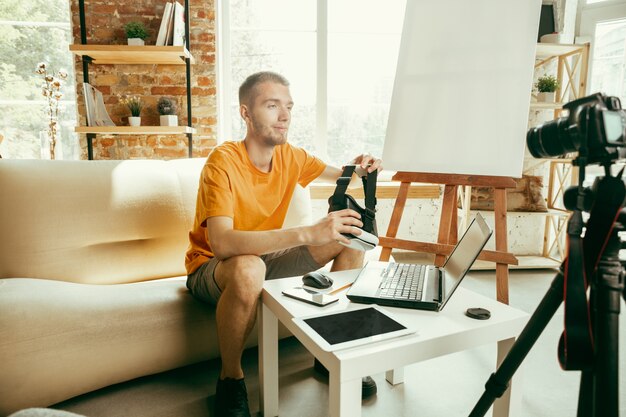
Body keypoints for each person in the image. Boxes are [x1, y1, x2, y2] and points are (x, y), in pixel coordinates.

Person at [185, 71, 382, 417]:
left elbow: (340, 173)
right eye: (272, 105)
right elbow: (222, 244)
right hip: (214, 268)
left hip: (264, 260)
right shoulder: (223, 162)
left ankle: (328, 353)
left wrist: (362, 168)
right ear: (245, 113)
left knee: (349, 237)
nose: (285, 115)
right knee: (249, 266)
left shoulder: (291, 156)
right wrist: (307, 233)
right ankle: (230, 380)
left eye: (288, 106)